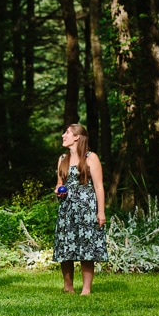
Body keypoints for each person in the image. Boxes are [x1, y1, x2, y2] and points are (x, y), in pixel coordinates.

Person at [53, 124, 108, 295]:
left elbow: (99, 187)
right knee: (65, 247)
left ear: (77, 137)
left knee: (87, 247)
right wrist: (58, 191)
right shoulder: (62, 158)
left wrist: (101, 212)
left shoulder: (91, 157)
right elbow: (59, 184)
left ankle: (86, 289)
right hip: (67, 209)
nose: (63, 135)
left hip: (86, 209)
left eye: (67, 133)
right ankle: (68, 287)